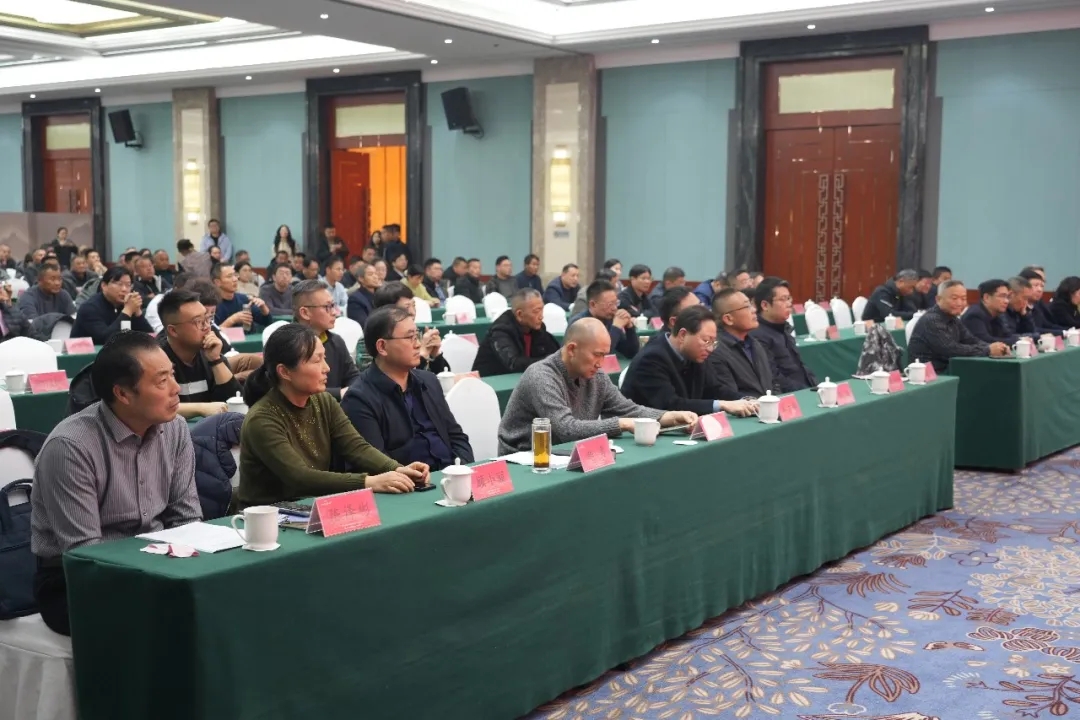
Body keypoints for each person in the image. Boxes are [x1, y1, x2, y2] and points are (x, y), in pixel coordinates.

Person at [30, 331, 201, 635]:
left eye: (172, 375)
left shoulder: (175, 429)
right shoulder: (71, 447)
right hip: (75, 581)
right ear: (122, 394)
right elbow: (85, 556)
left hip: (160, 563)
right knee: (166, 622)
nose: (176, 389)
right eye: (162, 381)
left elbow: (186, 518)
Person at [235, 324, 429, 508]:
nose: (326, 367)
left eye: (324, 358)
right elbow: (300, 477)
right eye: (316, 360)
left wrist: (396, 469)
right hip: (268, 515)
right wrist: (369, 482)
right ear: (285, 372)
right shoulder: (262, 419)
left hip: (313, 506)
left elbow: (356, 447)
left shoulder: (323, 401)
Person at [497, 318, 697, 453]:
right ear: (572, 349)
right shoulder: (541, 375)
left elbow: (627, 409)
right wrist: (623, 424)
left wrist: (669, 417)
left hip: (567, 454)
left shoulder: (595, 376)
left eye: (604, 355)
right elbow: (566, 429)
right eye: (597, 355)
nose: (601, 363)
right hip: (525, 459)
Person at [342, 306, 473, 471]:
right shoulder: (359, 399)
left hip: (451, 475)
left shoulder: (429, 381)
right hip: (409, 482)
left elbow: (456, 436)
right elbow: (376, 465)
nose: (418, 344)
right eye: (410, 337)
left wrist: (462, 469)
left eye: (417, 336)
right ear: (382, 347)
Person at [622, 304, 757, 418]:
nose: (710, 349)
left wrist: (746, 400)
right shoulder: (651, 359)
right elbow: (670, 405)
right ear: (683, 335)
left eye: (713, 342)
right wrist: (722, 405)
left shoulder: (695, 354)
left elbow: (714, 389)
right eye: (706, 341)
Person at [157, 289, 239, 418]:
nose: (207, 326)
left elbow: (235, 402)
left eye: (207, 319)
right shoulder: (156, 360)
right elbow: (155, 407)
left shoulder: (210, 354)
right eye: (198, 321)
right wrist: (201, 408)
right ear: (173, 331)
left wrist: (216, 360)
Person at [907, 279, 1010, 373]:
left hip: (950, 369)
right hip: (931, 375)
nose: (959, 303)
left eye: (963, 299)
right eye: (954, 298)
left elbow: (971, 340)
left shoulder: (954, 319)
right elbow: (951, 350)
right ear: (938, 299)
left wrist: (996, 347)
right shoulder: (932, 320)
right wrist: (988, 350)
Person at [293, 279, 359, 400]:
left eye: (333, 305)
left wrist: (352, 391)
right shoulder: (289, 345)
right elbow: (296, 390)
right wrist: (339, 393)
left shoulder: (336, 341)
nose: (335, 312)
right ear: (305, 313)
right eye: (327, 307)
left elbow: (353, 376)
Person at [707, 288, 778, 399]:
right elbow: (729, 396)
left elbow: (773, 382)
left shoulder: (755, 343)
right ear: (728, 319)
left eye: (751, 305)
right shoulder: (716, 351)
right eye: (747, 306)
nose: (754, 310)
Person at [749, 277, 817, 392]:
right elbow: (774, 377)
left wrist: (814, 385)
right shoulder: (757, 335)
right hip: (789, 395)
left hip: (803, 389)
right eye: (783, 299)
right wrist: (805, 392)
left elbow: (799, 367)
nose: (789, 304)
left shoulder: (783, 328)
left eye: (789, 298)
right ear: (765, 305)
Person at [473, 288, 560, 376]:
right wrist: (549, 361)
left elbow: (555, 353)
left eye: (542, 310)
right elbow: (513, 364)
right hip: (489, 379)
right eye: (536, 311)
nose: (541, 316)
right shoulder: (501, 330)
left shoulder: (537, 328)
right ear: (519, 314)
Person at [372, 283, 450, 374]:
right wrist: (422, 354)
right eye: (406, 307)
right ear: (388, 310)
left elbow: (443, 375)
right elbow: (404, 378)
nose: (413, 312)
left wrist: (435, 354)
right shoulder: (374, 338)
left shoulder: (417, 333)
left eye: (414, 305)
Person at [71, 267, 153, 344]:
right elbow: (106, 339)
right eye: (119, 284)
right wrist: (127, 311)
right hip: (87, 353)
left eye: (128, 285)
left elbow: (150, 338)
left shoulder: (127, 305)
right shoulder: (90, 308)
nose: (124, 289)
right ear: (104, 286)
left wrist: (137, 311)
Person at [568, 279, 640, 359]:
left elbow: (631, 353)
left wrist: (629, 327)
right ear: (593, 304)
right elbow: (600, 355)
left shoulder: (609, 320)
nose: (614, 308)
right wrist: (616, 328)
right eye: (610, 304)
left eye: (616, 303)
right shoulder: (579, 324)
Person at [212, 263, 271, 329]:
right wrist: (232, 320)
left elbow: (267, 322)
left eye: (235, 275)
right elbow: (211, 333)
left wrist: (263, 307)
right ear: (217, 282)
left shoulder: (244, 299)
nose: (235, 279)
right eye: (229, 276)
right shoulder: (211, 304)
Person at [961, 279, 1016, 344]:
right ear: (986, 297)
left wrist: (1020, 340)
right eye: (1002, 296)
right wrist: (1016, 341)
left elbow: (1007, 335)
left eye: (1007, 297)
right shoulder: (974, 315)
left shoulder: (996, 314)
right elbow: (984, 341)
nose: (1006, 301)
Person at [1018, 267, 1065, 333]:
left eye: (1042, 286)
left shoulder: (1036, 307)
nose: (1040, 290)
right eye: (1036, 285)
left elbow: (1047, 325)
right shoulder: (1017, 307)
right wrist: (1064, 332)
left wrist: (1067, 331)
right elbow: (1033, 329)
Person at [1001, 276, 1039, 342]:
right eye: (1024, 298)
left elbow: (1034, 332)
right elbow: (1008, 336)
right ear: (1011, 295)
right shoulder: (1001, 311)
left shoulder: (1018, 311)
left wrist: (1024, 315)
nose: (1026, 303)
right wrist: (1033, 336)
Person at [346, 261, 380, 327]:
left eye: (376, 273)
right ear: (361, 279)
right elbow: (363, 324)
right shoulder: (355, 299)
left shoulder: (381, 294)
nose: (375, 277)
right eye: (370, 274)